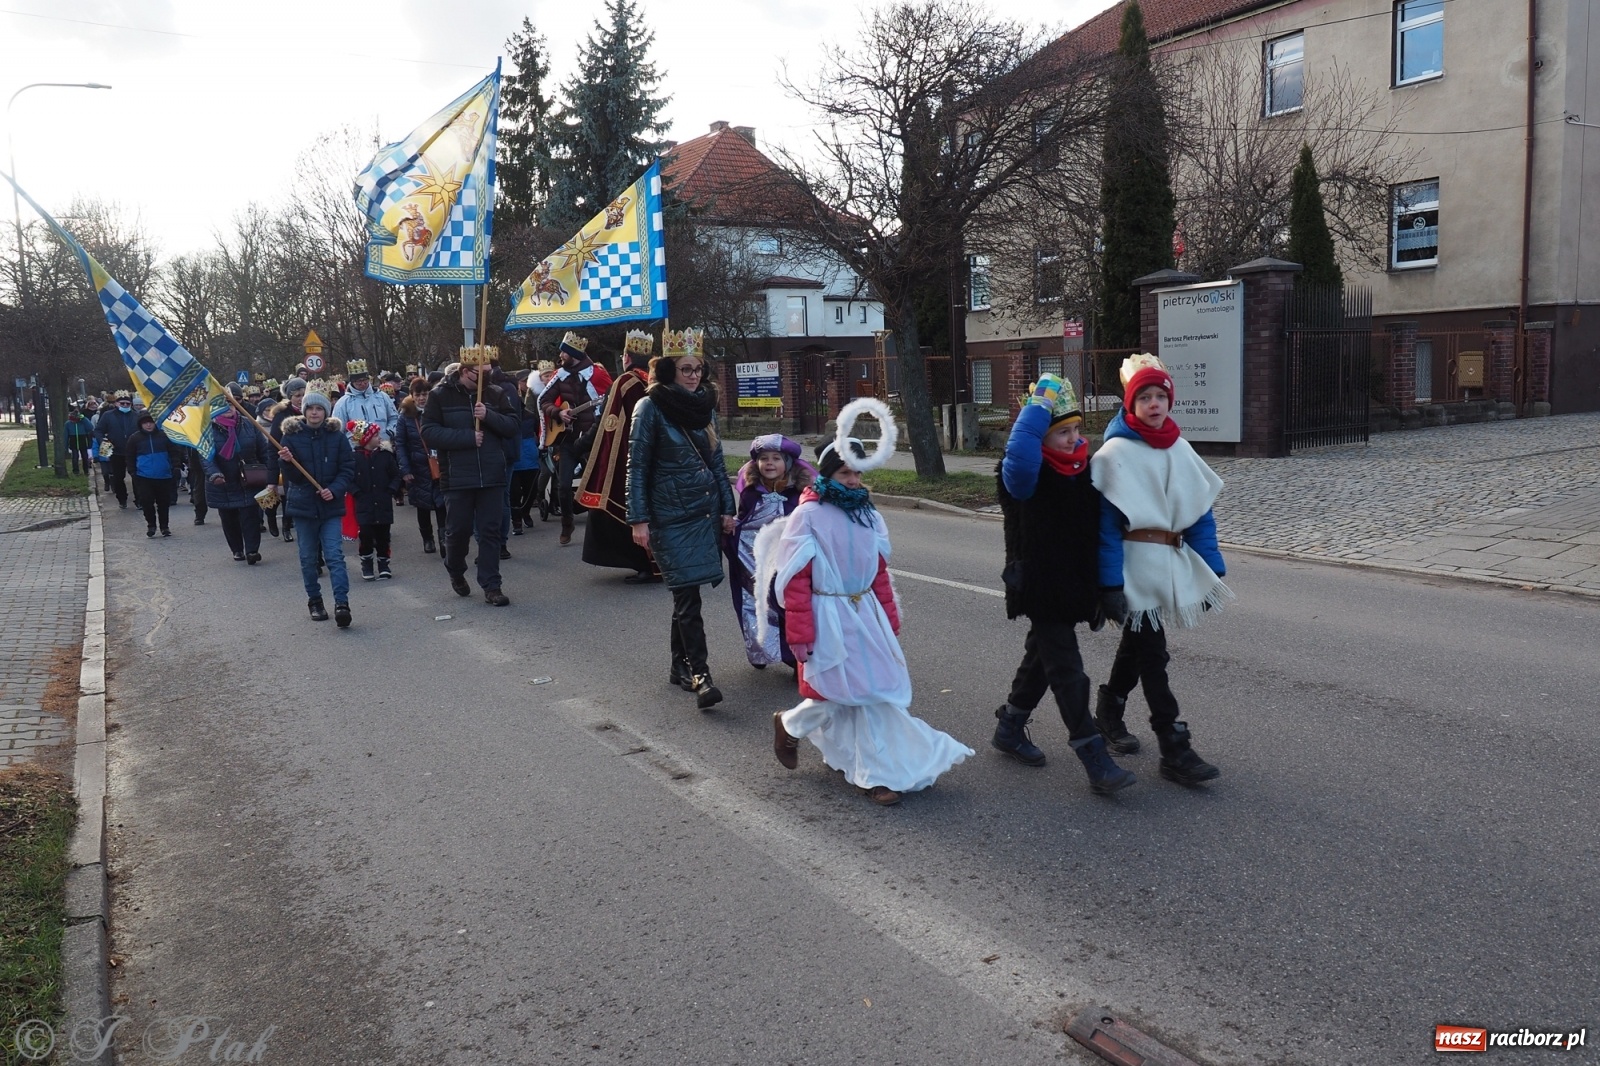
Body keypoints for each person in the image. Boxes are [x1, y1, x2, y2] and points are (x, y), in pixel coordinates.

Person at [765, 400, 974, 806]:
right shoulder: (808, 516)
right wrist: (801, 634)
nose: (854, 480)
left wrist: (888, 615)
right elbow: (796, 581)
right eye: (845, 473)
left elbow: (878, 570)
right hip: (830, 615)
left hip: (866, 614)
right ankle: (864, 767)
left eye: (858, 472)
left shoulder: (867, 514)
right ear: (828, 473)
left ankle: (816, 738)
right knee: (844, 693)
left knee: (876, 693)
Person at [1092, 353, 1232, 786]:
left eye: (1161, 396)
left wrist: (1212, 568)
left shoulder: (1180, 448)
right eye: (1145, 397)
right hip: (1134, 570)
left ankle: (1109, 712)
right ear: (1130, 404)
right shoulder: (1114, 453)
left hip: (1168, 563)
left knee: (1139, 649)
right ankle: (1173, 745)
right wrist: (1110, 583)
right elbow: (1107, 528)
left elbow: (1198, 515)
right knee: (1154, 656)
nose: (1155, 404)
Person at [993, 373, 1135, 794]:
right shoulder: (1022, 474)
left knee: (1041, 656)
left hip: (1073, 586)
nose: (1074, 439)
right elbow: (1020, 450)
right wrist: (1040, 402)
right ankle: (1092, 753)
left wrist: (1104, 587)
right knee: (1068, 670)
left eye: (1076, 430)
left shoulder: (1083, 472)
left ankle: (1010, 726)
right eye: (1062, 433)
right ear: (1040, 435)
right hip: (1039, 584)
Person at [625, 329, 737, 709]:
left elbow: (717, 463)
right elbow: (637, 467)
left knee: (687, 593)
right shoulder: (649, 407)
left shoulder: (704, 406)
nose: (693, 376)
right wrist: (638, 520)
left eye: (698, 369)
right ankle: (701, 676)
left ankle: (678, 665)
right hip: (669, 516)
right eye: (686, 369)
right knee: (687, 595)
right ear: (669, 369)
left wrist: (727, 508)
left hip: (703, 511)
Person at [422, 357, 518, 606]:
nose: (489, 378)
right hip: (457, 477)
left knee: (490, 532)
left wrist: (489, 416)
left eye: (490, 372)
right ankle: (455, 568)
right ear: (466, 372)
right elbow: (429, 432)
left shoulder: (495, 393)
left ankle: (491, 585)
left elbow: (513, 426)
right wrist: (466, 437)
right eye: (482, 373)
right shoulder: (440, 395)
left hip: (491, 474)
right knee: (458, 531)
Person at [724, 435, 811, 668]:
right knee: (755, 604)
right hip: (755, 561)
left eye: (776, 458)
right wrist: (731, 527)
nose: (769, 463)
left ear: (789, 463)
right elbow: (744, 521)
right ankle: (761, 650)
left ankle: (797, 659)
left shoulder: (800, 493)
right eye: (763, 458)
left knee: (790, 606)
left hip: (790, 561)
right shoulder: (751, 492)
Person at [580, 330, 658, 581]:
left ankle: (644, 563)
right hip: (655, 453)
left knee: (621, 508)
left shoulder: (625, 381)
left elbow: (610, 423)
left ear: (626, 356)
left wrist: (592, 454)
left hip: (629, 455)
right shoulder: (653, 381)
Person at [278, 392, 356, 626]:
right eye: (310, 408)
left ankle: (342, 603)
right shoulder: (290, 438)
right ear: (304, 411)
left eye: (319, 409)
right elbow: (292, 477)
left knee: (334, 556)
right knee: (308, 558)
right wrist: (286, 461)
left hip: (330, 506)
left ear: (326, 412)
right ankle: (315, 601)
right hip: (303, 506)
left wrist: (335, 489)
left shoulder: (337, 437)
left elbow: (347, 468)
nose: (314, 412)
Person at [540, 332, 611, 545]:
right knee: (563, 486)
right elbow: (544, 400)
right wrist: (557, 413)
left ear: (574, 354)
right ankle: (567, 522)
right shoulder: (559, 375)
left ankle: (606, 527)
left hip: (591, 439)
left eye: (564, 351)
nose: (561, 355)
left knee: (601, 483)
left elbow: (612, 401)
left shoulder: (597, 374)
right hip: (568, 440)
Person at [204, 393, 273, 563]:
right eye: (223, 406)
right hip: (224, 481)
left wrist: (271, 473)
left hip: (250, 478)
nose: (228, 409)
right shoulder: (207, 430)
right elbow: (205, 457)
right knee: (229, 518)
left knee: (251, 516)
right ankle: (237, 549)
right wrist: (214, 475)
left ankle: (252, 551)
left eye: (231, 405)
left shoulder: (249, 424)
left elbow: (263, 451)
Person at [396, 378, 447, 554]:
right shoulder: (405, 416)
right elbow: (400, 444)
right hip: (417, 467)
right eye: (418, 395)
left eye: (425, 394)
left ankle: (444, 538)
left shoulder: (437, 410)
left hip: (439, 464)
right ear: (412, 396)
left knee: (442, 503)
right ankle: (427, 538)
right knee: (422, 505)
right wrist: (405, 469)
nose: (422, 398)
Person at [348, 420, 401, 580]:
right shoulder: (354, 458)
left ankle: (384, 564)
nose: (379, 438)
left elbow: (396, 474)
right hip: (364, 503)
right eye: (375, 435)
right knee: (366, 535)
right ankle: (367, 563)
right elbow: (348, 479)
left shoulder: (385, 456)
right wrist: (356, 492)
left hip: (383, 502)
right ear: (365, 438)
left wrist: (392, 489)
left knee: (384, 535)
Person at [124, 411, 182, 538]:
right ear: (141, 425)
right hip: (144, 476)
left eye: (151, 422)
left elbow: (174, 452)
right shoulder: (135, 438)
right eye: (145, 423)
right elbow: (130, 456)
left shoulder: (164, 436)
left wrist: (176, 466)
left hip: (164, 475)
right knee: (147, 502)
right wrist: (132, 471)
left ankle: (164, 526)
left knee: (163, 502)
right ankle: (151, 524)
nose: (149, 425)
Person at [269, 378, 308, 543]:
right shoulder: (281, 416)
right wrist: (272, 479)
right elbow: (273, 448)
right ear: (290, 397)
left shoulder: (313, 411)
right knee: (290, 496)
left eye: (303, 395)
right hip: (290, 463)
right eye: (297, 395)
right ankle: (286, 524)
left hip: (310, 462)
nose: (300, 398)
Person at [94, 390, 141, 508]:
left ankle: (139, 500)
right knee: (118, 477)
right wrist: (102, 441)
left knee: (137, 476)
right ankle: (122, 499)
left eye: (127, 404)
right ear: (116, 404)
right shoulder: (108, 415)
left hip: (134, 451)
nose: (125, 406)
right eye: (122, 403)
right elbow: (98, 430)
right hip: (116, 451)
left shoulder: (136, 416)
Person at [333, 360, 399, 440]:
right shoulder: (343, 403)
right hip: (356, 449)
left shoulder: (382, 397)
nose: (363, 383)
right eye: (358, 381)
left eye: (365, 380)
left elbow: (394, 417)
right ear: (352, 381)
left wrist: (390, 432)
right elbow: (338, 430)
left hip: (383, 445)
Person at [64, 407, 93, 474]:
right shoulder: (68, 424)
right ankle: (76, 471)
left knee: (85, 457)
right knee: (75, 457)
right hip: (73, 442)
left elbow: (90, 427)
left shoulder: (83, 422)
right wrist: (65, 445)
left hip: (83, 441)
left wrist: (84, 419)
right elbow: (65, 435)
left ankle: (86, 470)